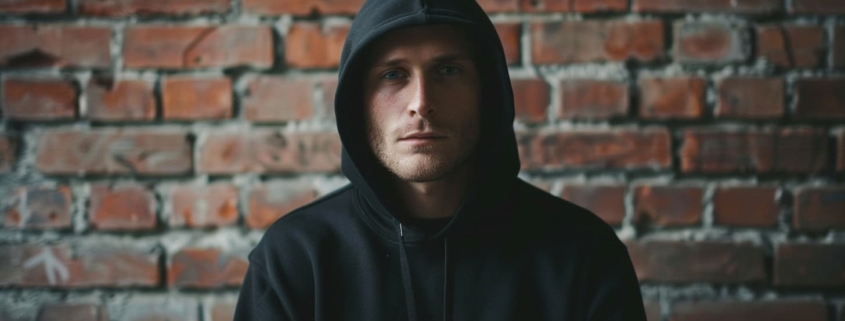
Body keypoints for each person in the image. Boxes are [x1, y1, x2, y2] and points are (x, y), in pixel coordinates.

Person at [234, 0, 647, 319]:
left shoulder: (582, 256)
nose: (422, 104)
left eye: (448, 70)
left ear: (487, 93)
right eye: (393, 74)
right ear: (357, 102)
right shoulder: (294, 261)